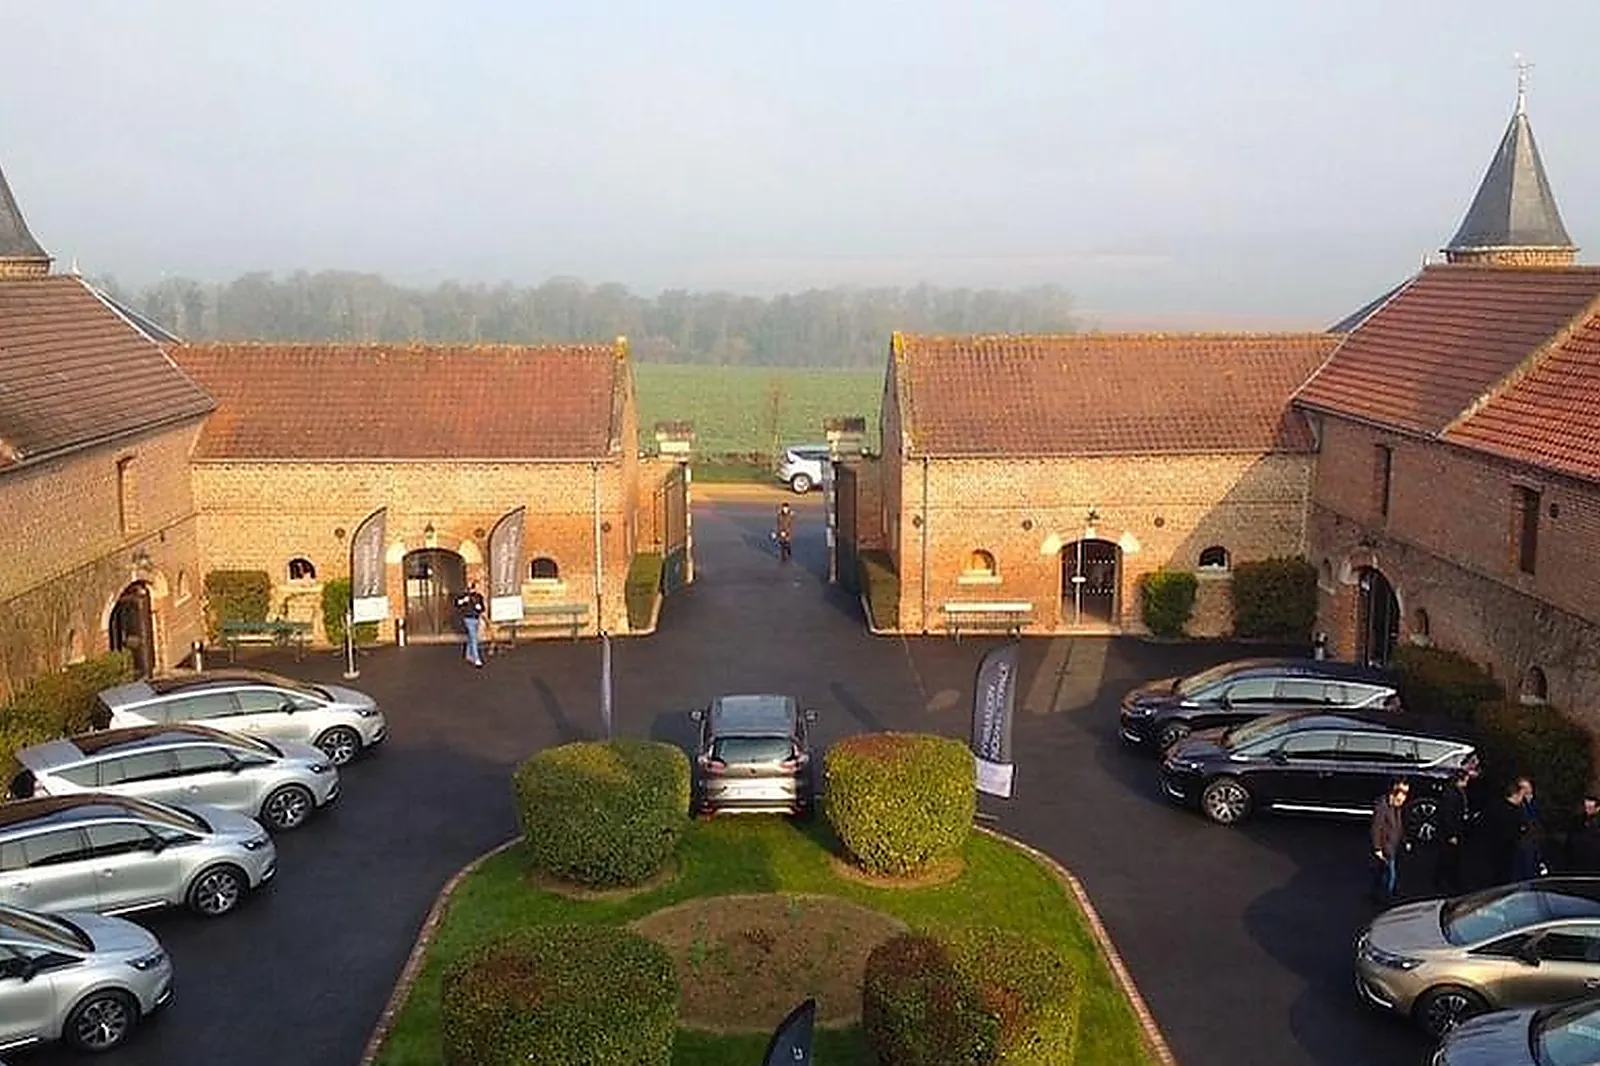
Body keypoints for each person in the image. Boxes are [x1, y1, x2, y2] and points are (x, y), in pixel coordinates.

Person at [1369, 779, 1410, 905]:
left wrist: (1405, 840)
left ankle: (1375, 892)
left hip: (1393, 845)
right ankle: (1388, 897)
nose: (1401, 803)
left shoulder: (1396, 807)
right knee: (1391, 874)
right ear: (1393, 795)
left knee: (1381, 871)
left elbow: (1398, 826)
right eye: (1399, 800)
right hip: (1387, 847)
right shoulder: (1382, 807)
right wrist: (1377, 848)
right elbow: (1376, 828)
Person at [1481, 779, 1528, 885]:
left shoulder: (1496, 806)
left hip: (1494, 847)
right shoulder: (1514, 812)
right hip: (1507, 847)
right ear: (1515, 795)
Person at [1433, 767, 1472, 895]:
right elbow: (1448, 815)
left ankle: (1441, 880)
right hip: (1450, 832)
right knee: (1449, 857)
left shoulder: (1457, 791)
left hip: (1455, 830)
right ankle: (1446, 882)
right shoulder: (1451, 795)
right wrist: (1452, 834)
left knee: (1448, 857)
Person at [1514, 777, 1548, 879]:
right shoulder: (1519, 804)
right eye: (1522, 787)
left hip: (1536, 839)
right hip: (1524, 841)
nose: (1524, 790)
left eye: (1526, 787)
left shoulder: (1538, 802)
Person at [455, 580, 486, 668]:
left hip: (476, 619)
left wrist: (480, 608)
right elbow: (457, 603)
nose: (479, 588)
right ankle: (476, 659)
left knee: (471, 637)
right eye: (477, 586)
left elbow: (483, 608)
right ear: (473, 587)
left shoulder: (479, 597)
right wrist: (463, 601)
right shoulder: (466, 596)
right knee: (474, 638)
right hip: (468, 619)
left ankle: (468, 654)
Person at [1567, 797, 1600, 873]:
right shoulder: (1577, 820)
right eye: (1585, 807)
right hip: (1579, 863)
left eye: (1590, 808)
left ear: (1597, 808)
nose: (1586, 810)